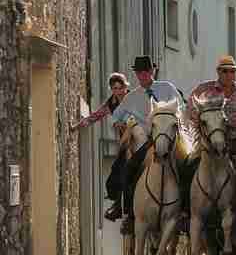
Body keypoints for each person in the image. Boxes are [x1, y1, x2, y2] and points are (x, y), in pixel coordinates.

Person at [112, 55, 185, 234]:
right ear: (136, 74)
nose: (143, 76)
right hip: (148, 140)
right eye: (139, 73)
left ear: (152, 71)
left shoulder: (167, 88)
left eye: (146, 72)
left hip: (170, 138)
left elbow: (181, 108)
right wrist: (120, 123)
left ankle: (186, 212)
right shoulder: (132, 97)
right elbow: (117, 115)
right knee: (129, 168)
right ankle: (129, 213)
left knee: (188, 165)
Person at [181, 55, 236, 218]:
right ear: (218, 72)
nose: (228, 75)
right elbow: (189, 109)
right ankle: (185, 207)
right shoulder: (203, 89)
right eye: (225, 71)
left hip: (234, 138)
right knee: (187, 164)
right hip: (207, 140)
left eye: (232, 71)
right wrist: (200, 122)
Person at [70, 72, 131, 221]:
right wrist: (77, 126)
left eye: (120, 88)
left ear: (125, 87)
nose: (118, 92)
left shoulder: (134, 97)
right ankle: (118, 205)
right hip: (125, 143)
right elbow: (95, 115)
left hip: (139, 137)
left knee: (125, 171)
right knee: (113, 177)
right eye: (114, 88)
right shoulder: (111, 103)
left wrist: (124, 123)